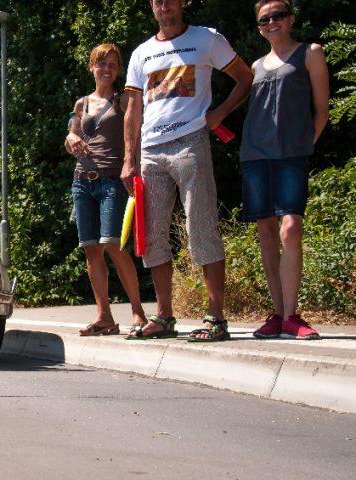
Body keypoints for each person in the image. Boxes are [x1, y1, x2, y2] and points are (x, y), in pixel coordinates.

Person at [122, 0, 253, 341]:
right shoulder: (142, 53)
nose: (164, 6)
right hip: (151, 152)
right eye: (157, 1)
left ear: (181, 3)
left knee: (202, 227)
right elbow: (133, 108)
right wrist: (128, 159)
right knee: (151, 237)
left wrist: (220, 113)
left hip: (191, 143)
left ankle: (216, 318)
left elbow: (244, 78)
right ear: (152, 6)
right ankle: (164, 317)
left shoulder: (207, 39)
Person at [241, 0, 329, 340]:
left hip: (291, 155)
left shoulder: (311, 53)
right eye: (265, 19)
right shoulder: (257, 64)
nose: (272, 22)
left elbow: (322, 109)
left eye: (278, 16)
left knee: (290, 229)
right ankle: (277, 314)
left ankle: (293, 315)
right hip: (254, 155)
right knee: (266, 232)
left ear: (290, 18)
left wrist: (305, 144)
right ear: (259, 26)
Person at [64, 43, 147, 336]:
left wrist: (133, 164)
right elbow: (72, 133)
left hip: (113, 179)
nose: (107, 69)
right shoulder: (81, 104)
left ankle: (138, 312)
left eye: (113, 64)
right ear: (91, 67)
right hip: (82, 180)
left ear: (118, 70)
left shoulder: (123, 100)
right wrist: (71, 139)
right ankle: (105, 317)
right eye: (102, 63)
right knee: (91, 250)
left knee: (114, 245)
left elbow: (136, 131)